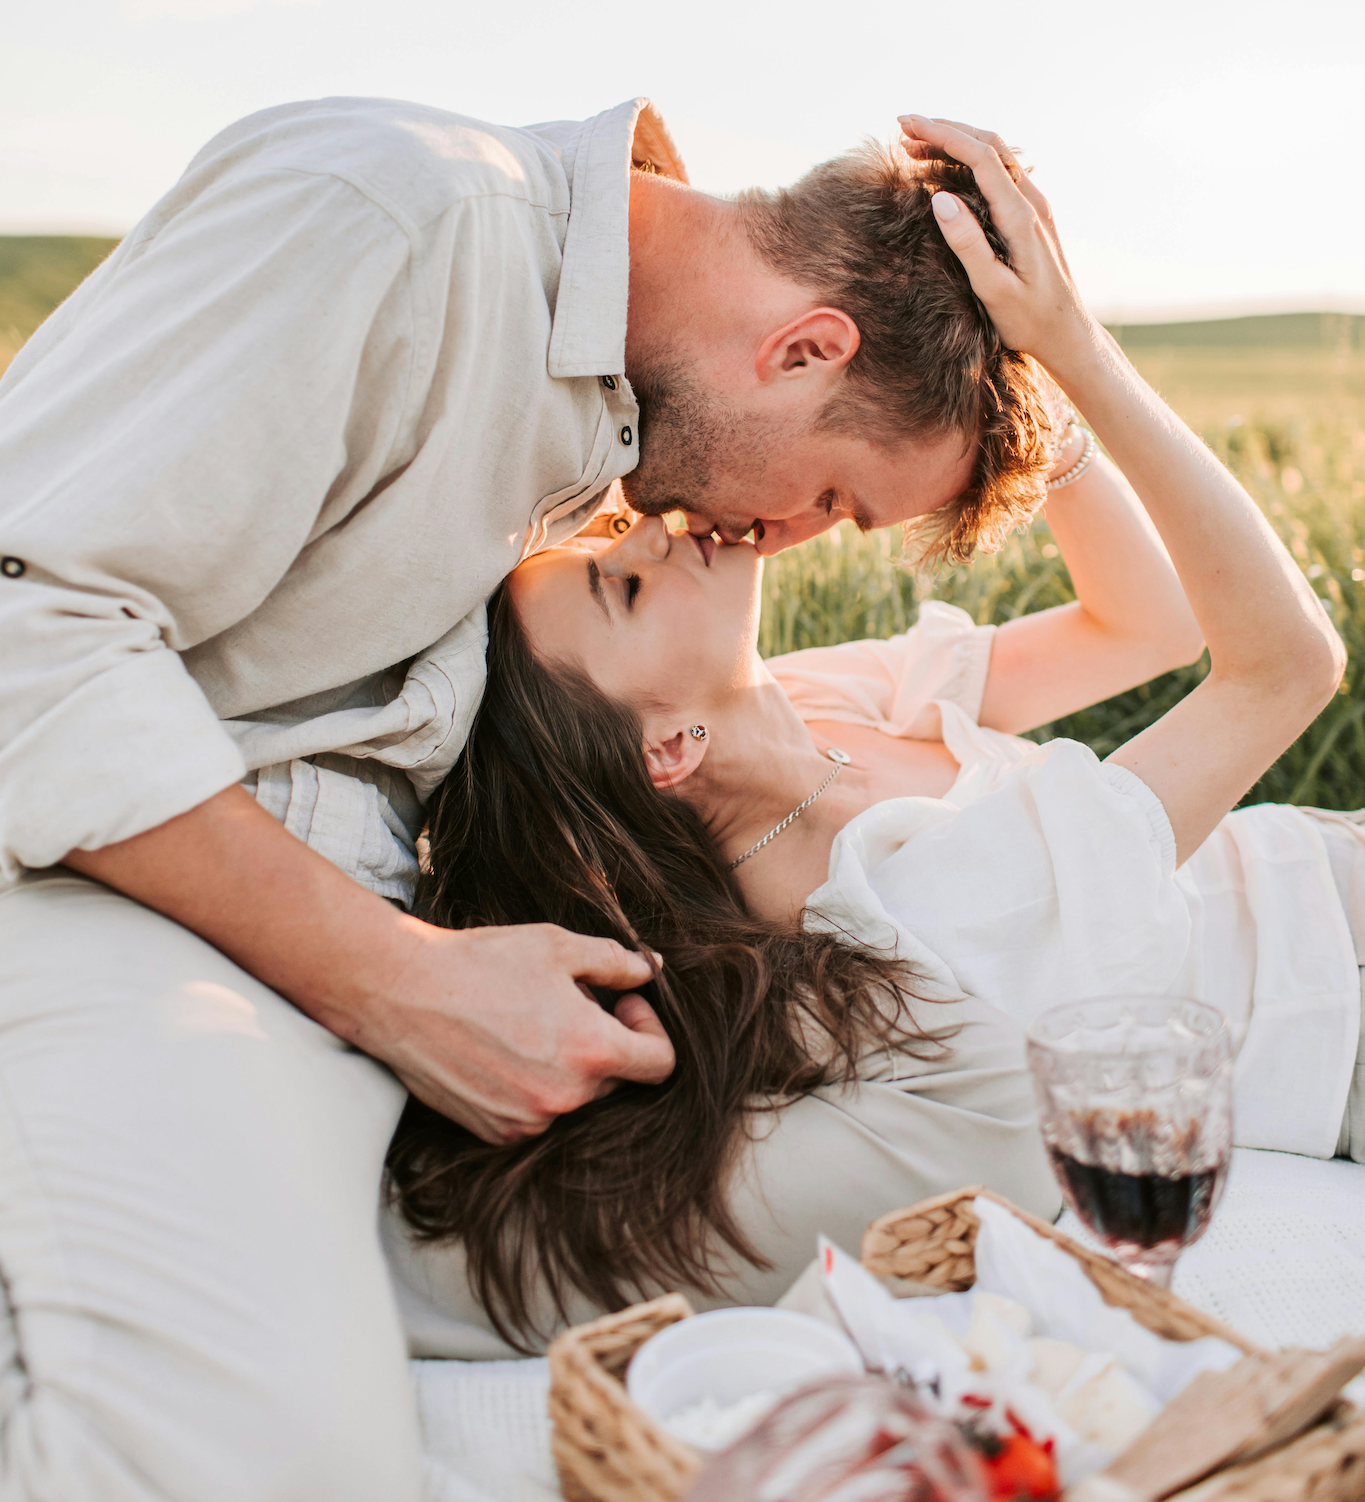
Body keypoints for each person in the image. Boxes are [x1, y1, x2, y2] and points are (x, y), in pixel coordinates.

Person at [0, 100, 1058, 1498]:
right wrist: (392, 980)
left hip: (336, 921)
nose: (775, 540)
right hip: (114, 880)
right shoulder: (392, 216)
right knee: (272, 1460)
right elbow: (32, 622)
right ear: (803, 347)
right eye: (831, 498)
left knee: (980, 1142)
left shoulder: (596, 385)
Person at [382, 118, 1365, 1362]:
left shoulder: (816, 693)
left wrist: (977, 374)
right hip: (1349, 995)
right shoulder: (884, 904)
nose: (644, 526)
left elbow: (1150, 622)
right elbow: (1285, 662)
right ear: (666, 751)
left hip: (1336, 860)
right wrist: (1072, 342)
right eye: (621, 589)